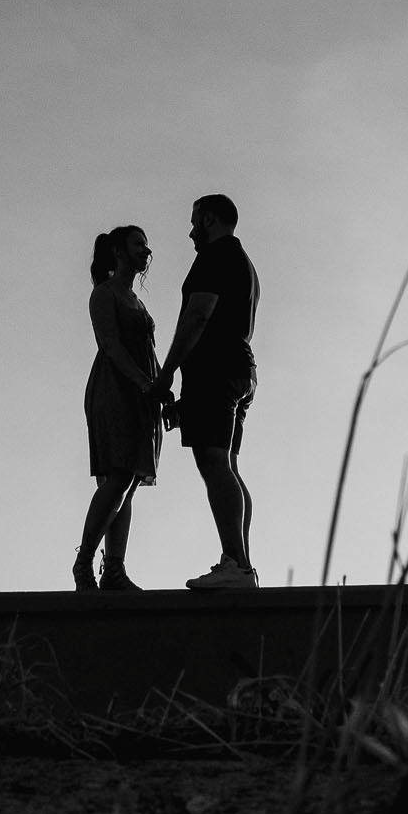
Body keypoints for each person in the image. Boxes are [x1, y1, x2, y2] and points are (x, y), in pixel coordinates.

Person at [157, 194, 260, 589]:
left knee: (214, 462)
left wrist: (167, 372)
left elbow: (198, 316)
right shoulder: (243, 262)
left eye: (195, 221)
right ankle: (242, 565)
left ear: (211, 219)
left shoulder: (214, 256)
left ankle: (236, 564)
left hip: (217, 370)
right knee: (227, 465)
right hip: (239, 369)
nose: (190, 231)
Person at [76, 225, 165, 591]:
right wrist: (145, 384)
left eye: (146, 244)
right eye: (138, 244)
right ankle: (84, 562)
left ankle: (114, 568)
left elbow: (149, 354)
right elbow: (110, 346)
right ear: (118, 250)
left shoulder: (137, 302)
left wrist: (162, 391)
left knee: (128, 483)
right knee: (118, 477)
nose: (146, 250)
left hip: (142, 395)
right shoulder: (104, 294)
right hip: (114, 390)